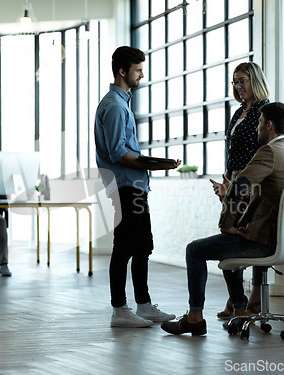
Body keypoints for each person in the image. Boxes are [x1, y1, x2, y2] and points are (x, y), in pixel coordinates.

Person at [161, 102, 284, 335]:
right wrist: (231, 192)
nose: (257, 127)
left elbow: (241, 186)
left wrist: (227, 224)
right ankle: (239, 310)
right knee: (230, 243)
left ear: (269, 125)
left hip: (264, 242)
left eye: (259, 122)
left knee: (194, 250)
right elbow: (263, 196)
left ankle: (195, 317)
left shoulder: (269, 151)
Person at [94, 46, 181, 328]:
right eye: (138, 70)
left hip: (134, 186)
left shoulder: (122, 103)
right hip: (125, 187)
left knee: (143, 245)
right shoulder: (115, 106)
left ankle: (143, 305)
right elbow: (119, 152)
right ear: (123, 71)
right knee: (125, 247)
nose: (142, 75)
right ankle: (120, 310)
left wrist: (154, 164)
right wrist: (155, 164)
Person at [211, 62, 271, 319]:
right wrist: (228, 180)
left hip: (254, 181)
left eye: (242, 80)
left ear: (255, 80)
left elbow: (267, 148)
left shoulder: (265, 110)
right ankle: (237, 298)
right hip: (235, 180)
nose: (238, 86)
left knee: (254, 236)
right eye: (235, 81)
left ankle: (253, 299)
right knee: (233, 235)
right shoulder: (238, 112)